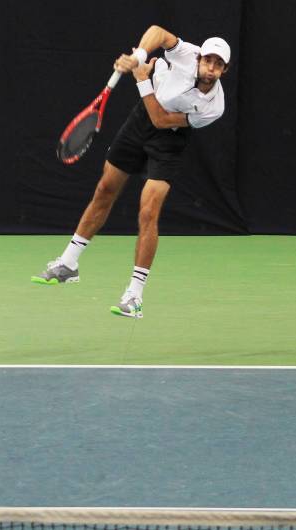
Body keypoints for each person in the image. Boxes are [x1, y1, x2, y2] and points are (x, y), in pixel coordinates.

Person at [31, 25, 231, 318]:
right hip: (139, 122)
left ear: (224, 70)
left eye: (218, 64)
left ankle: (134, 296)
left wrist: (141, 80)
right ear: (200, 57)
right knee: (104, 190)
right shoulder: (186, 53)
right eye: (209, 60)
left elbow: (162, 121)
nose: (211, 67)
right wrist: (139, 55)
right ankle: (68, 264)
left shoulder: (214, 106)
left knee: (148, 212)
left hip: (168, 138)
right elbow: (158, 32)